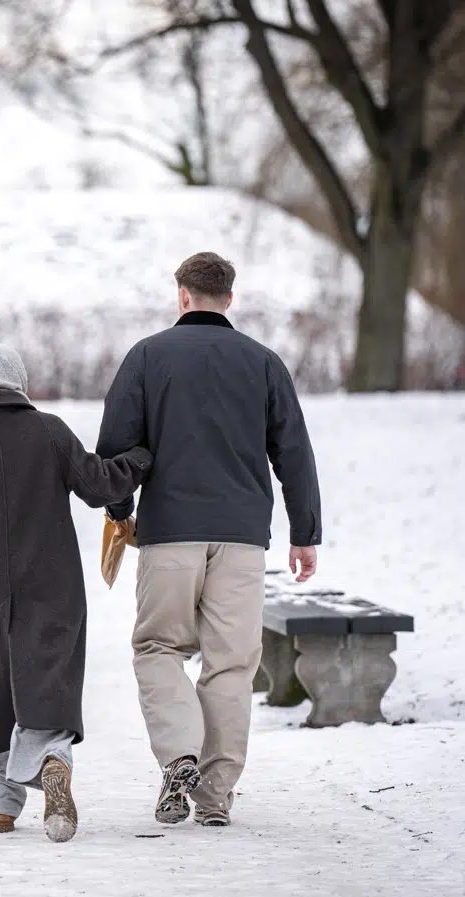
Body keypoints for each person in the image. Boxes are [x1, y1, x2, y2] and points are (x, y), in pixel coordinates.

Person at [97, 251, 322, 829]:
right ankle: (216, 792)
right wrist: (304, 533)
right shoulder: (263, 363)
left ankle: (179, 757)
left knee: (157, 648)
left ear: (182, 295)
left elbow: (116, 447)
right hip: (243, 537)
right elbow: (293, 451)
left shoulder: (147, 357)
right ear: (230, 298)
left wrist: (121, 510)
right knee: (230, 663)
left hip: (170, 532)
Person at [0, 344, 152, 843]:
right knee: (45, 671)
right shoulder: (48, 431)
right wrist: (138, 459)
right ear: (21, 383)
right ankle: (50, 758)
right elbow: (98, 485)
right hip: (51, 581)